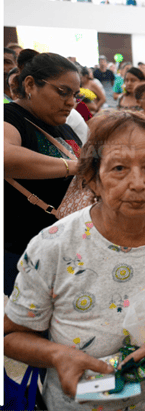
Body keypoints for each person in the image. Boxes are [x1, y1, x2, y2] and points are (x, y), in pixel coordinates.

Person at [4, 111, 145, 410]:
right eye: (118, 168)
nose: (138, 183)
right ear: (91, 179)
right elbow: (12, 334)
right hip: (83, 402)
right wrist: (56, 356)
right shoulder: (52, 247)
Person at [4, 51, 83, 294]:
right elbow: (5, 156)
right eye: (62, 92)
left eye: (74, 95)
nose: (70, 102)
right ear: (30, 84)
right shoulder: (10, 117)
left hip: (67, 249)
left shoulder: (65, 127)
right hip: (24, 251)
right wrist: (76, 167)